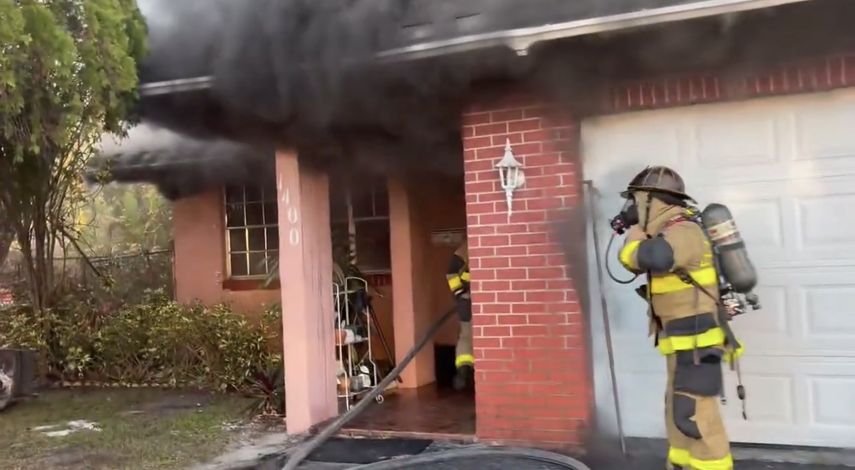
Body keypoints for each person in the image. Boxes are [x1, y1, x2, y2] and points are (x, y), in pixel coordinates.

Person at [617, 166, 742, 470]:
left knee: (695, 411)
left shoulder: (683, 230)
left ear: (651, 200)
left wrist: (633, 240)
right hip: (682, 338)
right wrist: (638, 237)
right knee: (678, 409)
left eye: (635, 200)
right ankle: (682, 464)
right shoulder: (664, 231)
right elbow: (636, 265)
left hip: (698, 339)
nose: (631, 208)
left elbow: (656, 258)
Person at [446, 237, 474, 391]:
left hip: (468, 299)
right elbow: (451, 272)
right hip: (469, 299)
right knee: (467, 334)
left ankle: (464, 369)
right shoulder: (467, 247)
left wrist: (460, 294)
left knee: (466, 335)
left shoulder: (466, 247)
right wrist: (461, 294)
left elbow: (451, 271)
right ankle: (464, 371)